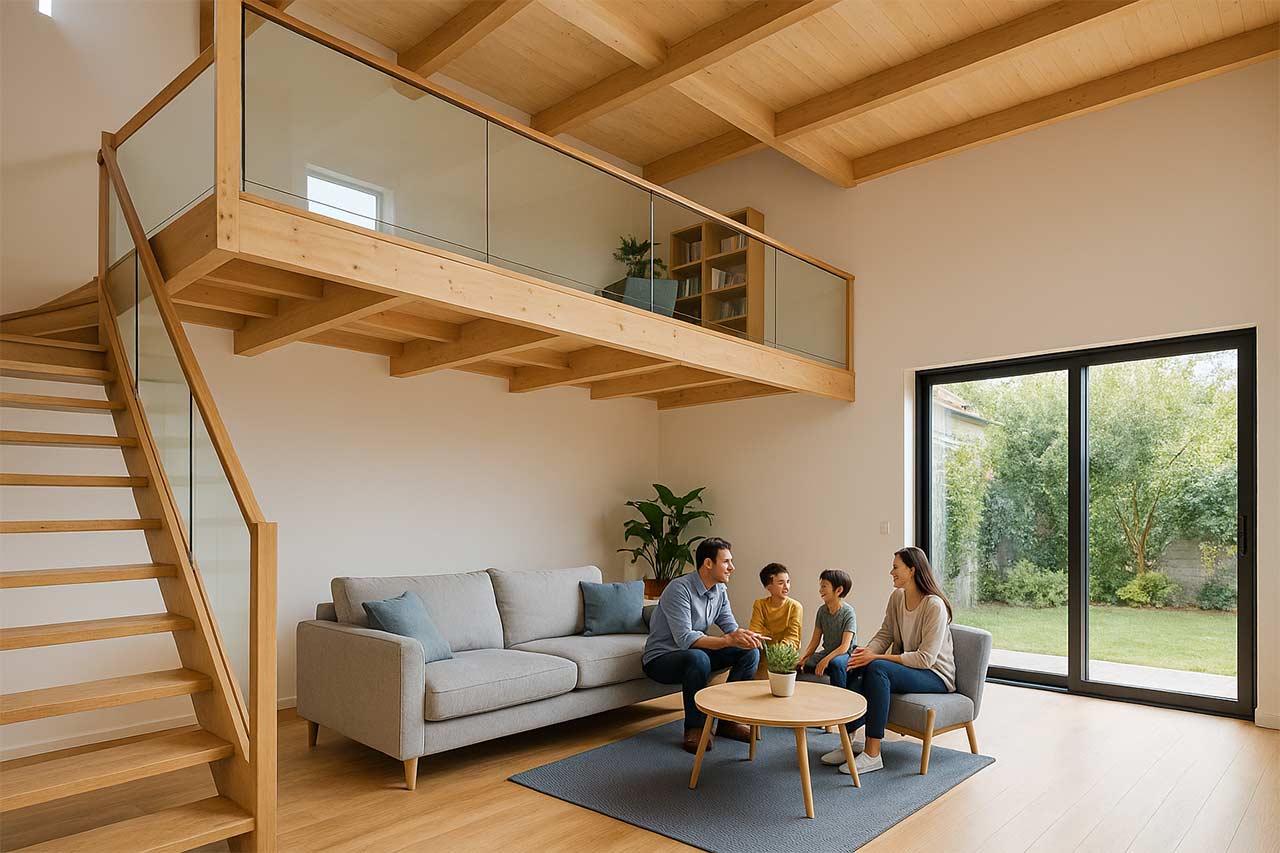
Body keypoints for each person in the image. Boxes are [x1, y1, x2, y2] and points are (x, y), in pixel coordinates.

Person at [820, 546, 956, 776]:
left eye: (895, 567)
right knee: (855, 664)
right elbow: (886, 634)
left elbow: (925, 658)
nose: (891, 572)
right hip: (911, 667)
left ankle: (873, 754)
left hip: (935, 675)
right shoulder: (897, 597)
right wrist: (863, 654)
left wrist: (876, 657)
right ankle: (849, 743)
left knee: (878, 667)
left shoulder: (934, 605)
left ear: (912, 570)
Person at [642, 537, 765, 753]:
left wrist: (746, 637)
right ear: (708, 563)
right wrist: (728, 640)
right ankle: (695, 728)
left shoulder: (720, 591)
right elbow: (685, 640)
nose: (732, 567)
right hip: (661, 659)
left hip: (695, 655)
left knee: (749, 652)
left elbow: (731, 628)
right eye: (726, 561)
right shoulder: (679, 589)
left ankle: (728, 721)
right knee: (698, 656)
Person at [798, 569, 856, 689]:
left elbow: (844, 646)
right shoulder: (822, 611)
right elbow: (815, 641)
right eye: (821, 586)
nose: (820, 590)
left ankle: (842, 697)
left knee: (836, 663)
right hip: (827, 651)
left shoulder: (848, 612)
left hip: (845, 653)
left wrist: (826, 660)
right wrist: (803, 657)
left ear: (839, 590)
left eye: (824, 586)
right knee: (804, 664)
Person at [748, 562, 804, 678]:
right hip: (763, 653)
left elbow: (793, 638)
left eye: (788, 582)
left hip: (784, 656)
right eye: (780, 583)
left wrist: (777, 652)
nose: (786, 587)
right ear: (769, 587)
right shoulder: (760, 604)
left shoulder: (795, 606)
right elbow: (754, 632)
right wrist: (769, 637)